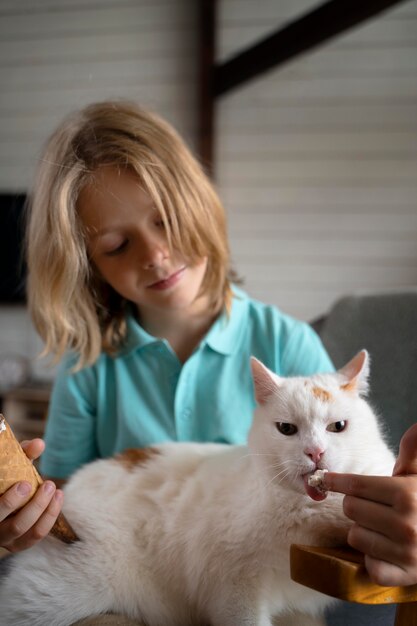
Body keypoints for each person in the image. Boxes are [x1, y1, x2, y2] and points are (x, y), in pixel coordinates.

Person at [0, 102, 416, 600]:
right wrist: (25, 520)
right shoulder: (88, 365)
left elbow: (341, 498)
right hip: (143, 580)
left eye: (166, 219)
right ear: (86, 264)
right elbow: (66, 513)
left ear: (199, 205)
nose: (155, 254)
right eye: (115, 245)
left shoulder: (288, 346)